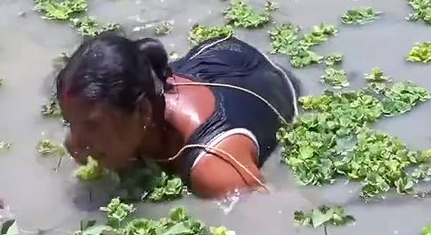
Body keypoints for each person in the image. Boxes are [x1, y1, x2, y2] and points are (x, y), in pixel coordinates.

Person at [54, 32, 301, 199]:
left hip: (266, 81)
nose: (77, 142)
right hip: (209, 57)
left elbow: (270, 213)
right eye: (71, 122)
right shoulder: (105, 125)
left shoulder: (214, 169)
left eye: (93, 125)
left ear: (143, 111)